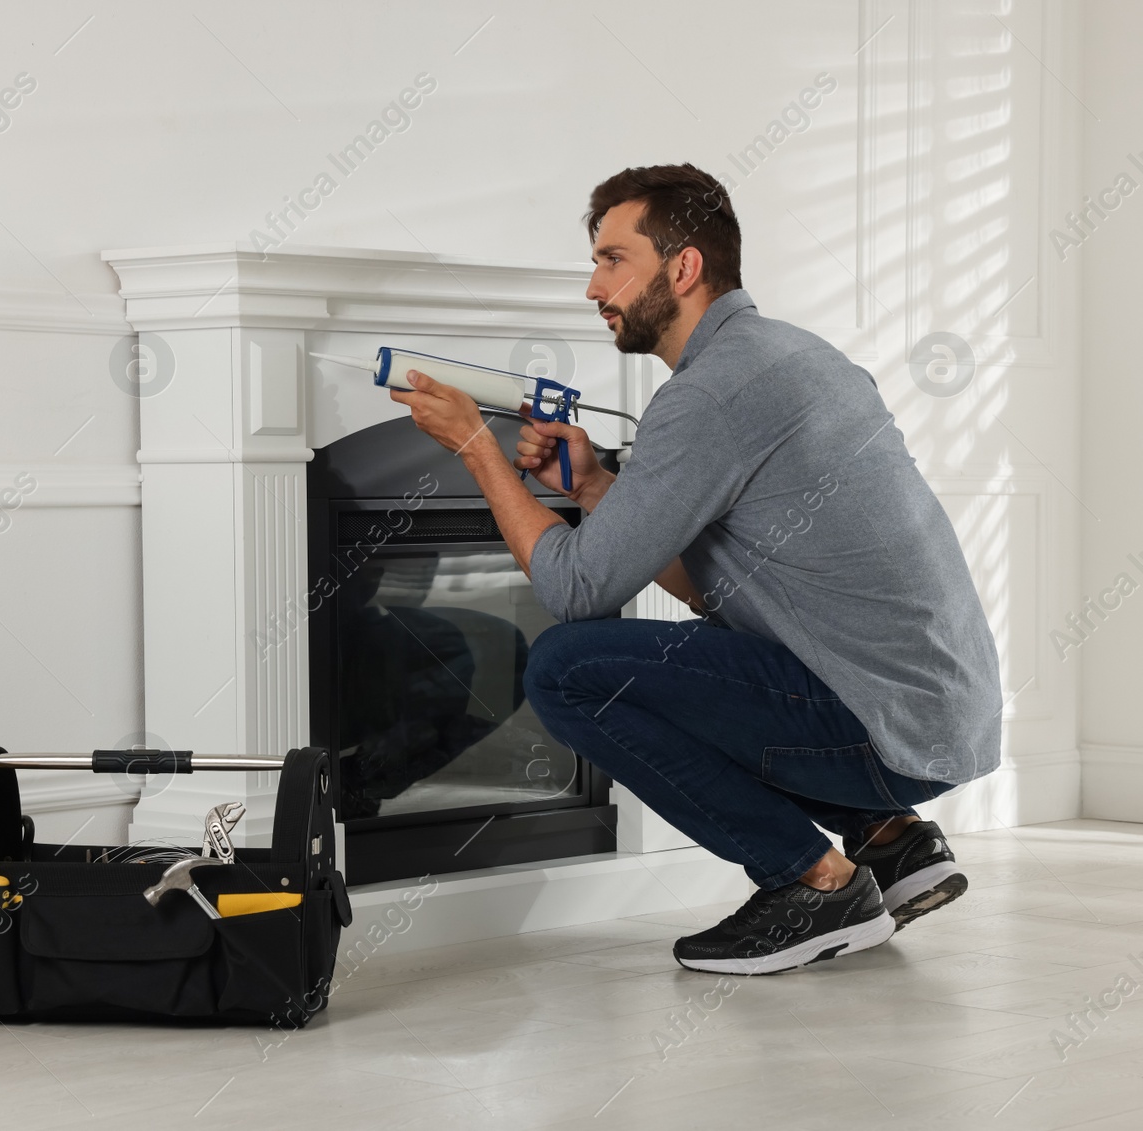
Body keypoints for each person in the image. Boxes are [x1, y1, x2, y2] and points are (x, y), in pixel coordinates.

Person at [390, 163, 1001, 975]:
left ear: (683, 269)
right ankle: (890, 840)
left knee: (571, 669)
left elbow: (574, 588)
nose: (592, 288)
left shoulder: (709, 394)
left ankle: (813, 884)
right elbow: (723, 593)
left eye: (613, 260)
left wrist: (475, 446)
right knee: (686, 664)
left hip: (888, 731)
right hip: (937, 716)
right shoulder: (791, 356)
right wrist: (602, 487)